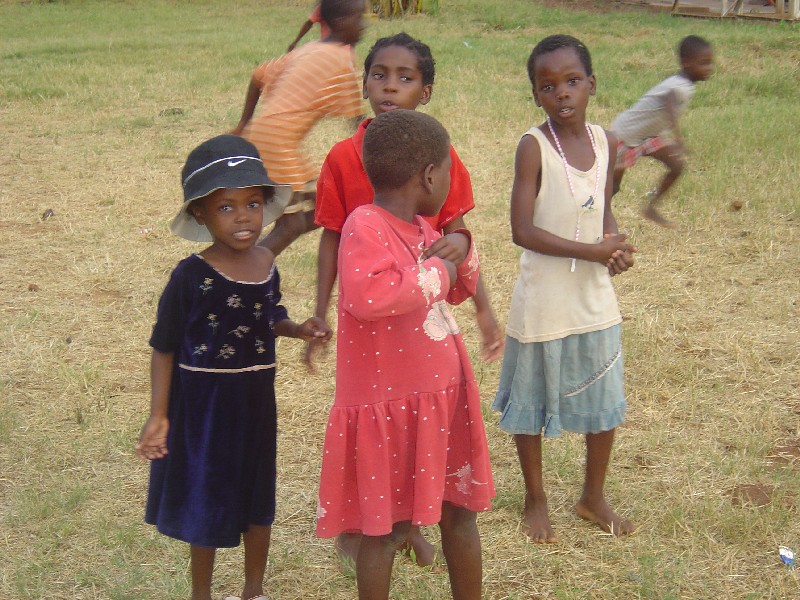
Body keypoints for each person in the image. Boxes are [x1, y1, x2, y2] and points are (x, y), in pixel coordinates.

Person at [309, 32, 504, 570]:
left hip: (429, 368)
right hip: (381, 359)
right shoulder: (348, 167)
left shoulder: (435, 164)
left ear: (427, 89)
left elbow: (453, 234)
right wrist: (321, 308)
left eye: (405, 76)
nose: (390, 85)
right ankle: (391, 526)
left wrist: (477, 294)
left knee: (432, 482)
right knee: (385, 491)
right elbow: (340, 243)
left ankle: (410, 522)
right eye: (379, 74)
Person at [135, 134, 332, 600]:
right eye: (226, 207)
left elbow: (269, 315)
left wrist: (299, 329)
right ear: (201, 214)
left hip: (256, 404)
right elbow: (163, 347)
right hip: (203, 408)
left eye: (252, 203)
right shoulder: (190, 276)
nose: (243, 217)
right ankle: (200, 593)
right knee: (207, 499)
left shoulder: (266, 262)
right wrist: (159, 415)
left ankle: (253, 589)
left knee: (256, 500)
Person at [492, 35, 637, 545]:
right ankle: (536, 498)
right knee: (530, 401)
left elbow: (600, 211)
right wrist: (593, 251)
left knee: (605, 395)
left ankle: (592, 496)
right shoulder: (533, 147)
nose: (562, 94)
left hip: (592, 296)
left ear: (592, 85)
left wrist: (613, 247)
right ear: (536, 94)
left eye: (573, 81)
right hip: (543, 300)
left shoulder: (606, 143)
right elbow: (522, 231)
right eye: (548, 86)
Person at [231, 0, 367, 256]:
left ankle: (247, 261)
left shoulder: (308, 49)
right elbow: (357, 122)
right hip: (278, 142)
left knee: (323, 210)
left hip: (266, 135)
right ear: (339, 22)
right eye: (358, 19)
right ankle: (244, 273)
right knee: (293, 225)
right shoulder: (342, 59)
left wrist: (244, 123)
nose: (363, 26)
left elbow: (257, 76)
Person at [611, 35, 714, 227]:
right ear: (687, 63)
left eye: (710, 63)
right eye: (704, 63)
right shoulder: (679, 86)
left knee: (676, 166)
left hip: (648, 136)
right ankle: (594, 218)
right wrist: (678, 137)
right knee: (612, 186)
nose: (709, 69)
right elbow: (669, 101)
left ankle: (651, 208)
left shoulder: (683, 83)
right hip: (626, 135)